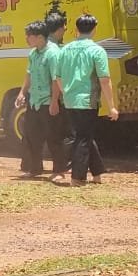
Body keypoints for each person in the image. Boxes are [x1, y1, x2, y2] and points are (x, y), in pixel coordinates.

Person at [52, 14, 120, 185]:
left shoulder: (65, 49)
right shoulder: (97, 51)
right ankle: (78, 177)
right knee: (82, 138)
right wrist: (111, 106)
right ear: (94, 29)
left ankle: (97, 174)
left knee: (84, 135)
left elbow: (57, 77)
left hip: (70, 99)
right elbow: (104, 79)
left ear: (76, 30)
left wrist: (65, 92)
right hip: (87, 101)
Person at [15, 21, 66, 181]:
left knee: (53, 137)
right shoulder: (33, 53)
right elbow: (28, 74)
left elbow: (55, 79)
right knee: (31, 136)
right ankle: (35, 168)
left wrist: (54, 101)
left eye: (29, 36)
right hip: (34, 101)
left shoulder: (52, 53)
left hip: (48, 101)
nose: (26, 39)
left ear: (39, 37)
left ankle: (59, 170)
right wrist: (22, 92)